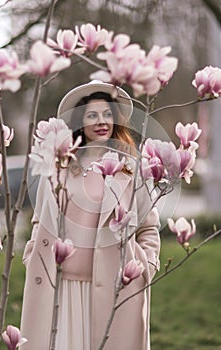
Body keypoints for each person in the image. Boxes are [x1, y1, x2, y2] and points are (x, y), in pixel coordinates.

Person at [20, 80, 161, 350]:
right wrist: (32, 257)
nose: (101, 121)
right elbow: (40, 220)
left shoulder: (130, 168)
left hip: (114, 285)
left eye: (107, 114)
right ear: (80, 122)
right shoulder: (59, 166)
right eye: (92, 115)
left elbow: (148, 226)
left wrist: (147, 265)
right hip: (62, 287)